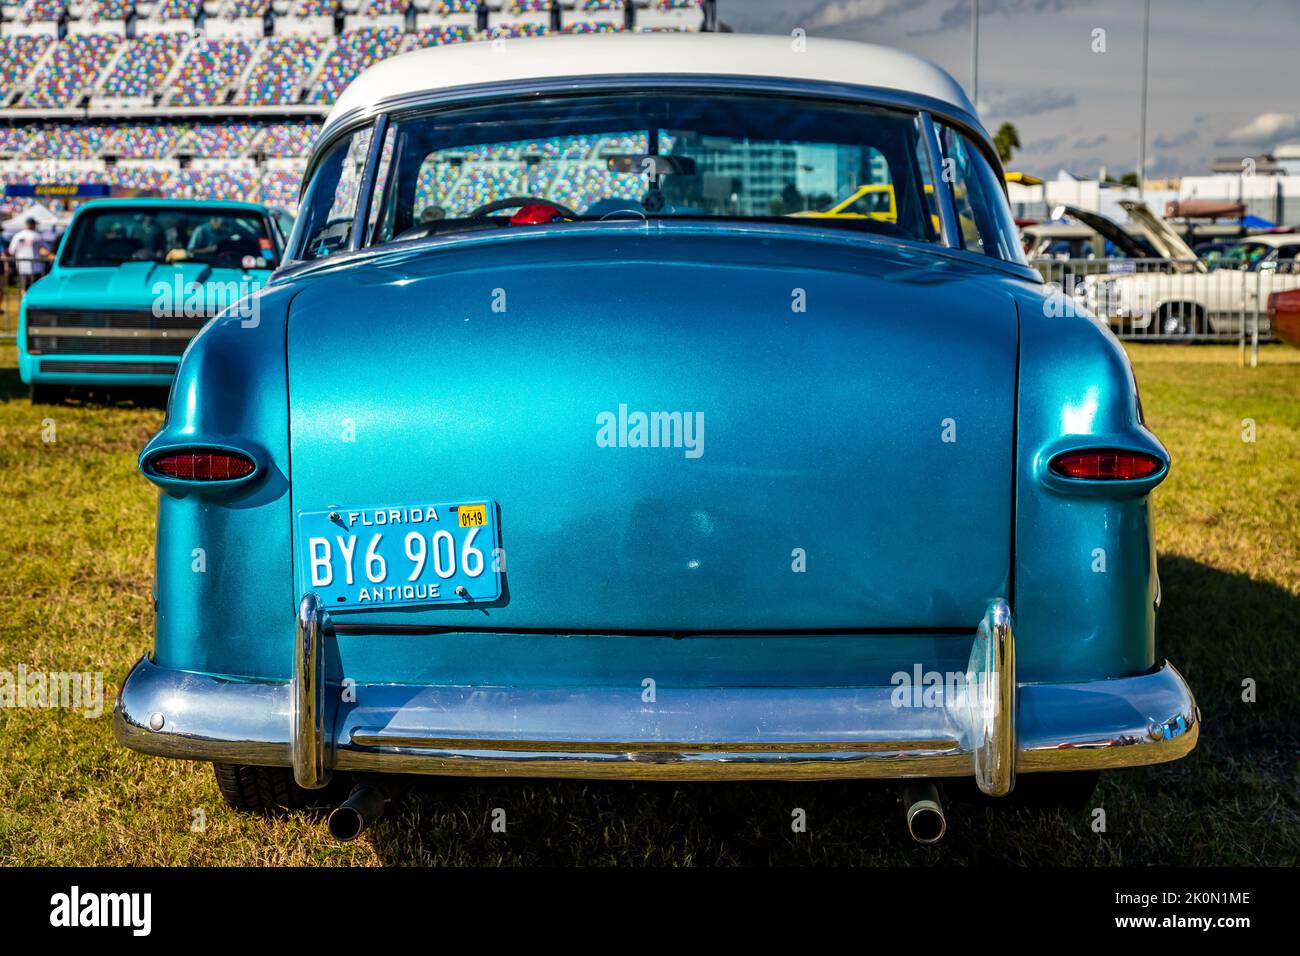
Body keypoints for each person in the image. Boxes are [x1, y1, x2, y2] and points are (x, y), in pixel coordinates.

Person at [8, 216, 49, 293]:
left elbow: (11, 251)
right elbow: (48, 249)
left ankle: (25, 304)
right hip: (35, 267)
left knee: (24, 289)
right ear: (33, 225)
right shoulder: (36, 235)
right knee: (34, 289)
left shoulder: (17, 235)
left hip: (22, 266)